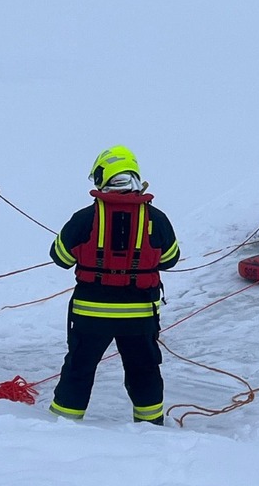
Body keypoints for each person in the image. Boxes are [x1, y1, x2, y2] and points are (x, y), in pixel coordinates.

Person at [49, 146, 180, 424]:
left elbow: (60, 257)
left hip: (90, 314)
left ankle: (63, 427)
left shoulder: (84, 218)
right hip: (139, 315)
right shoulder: (156, 218)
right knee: (144, 370)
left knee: (79, 369)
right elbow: (170, 259)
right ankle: (151, 429)